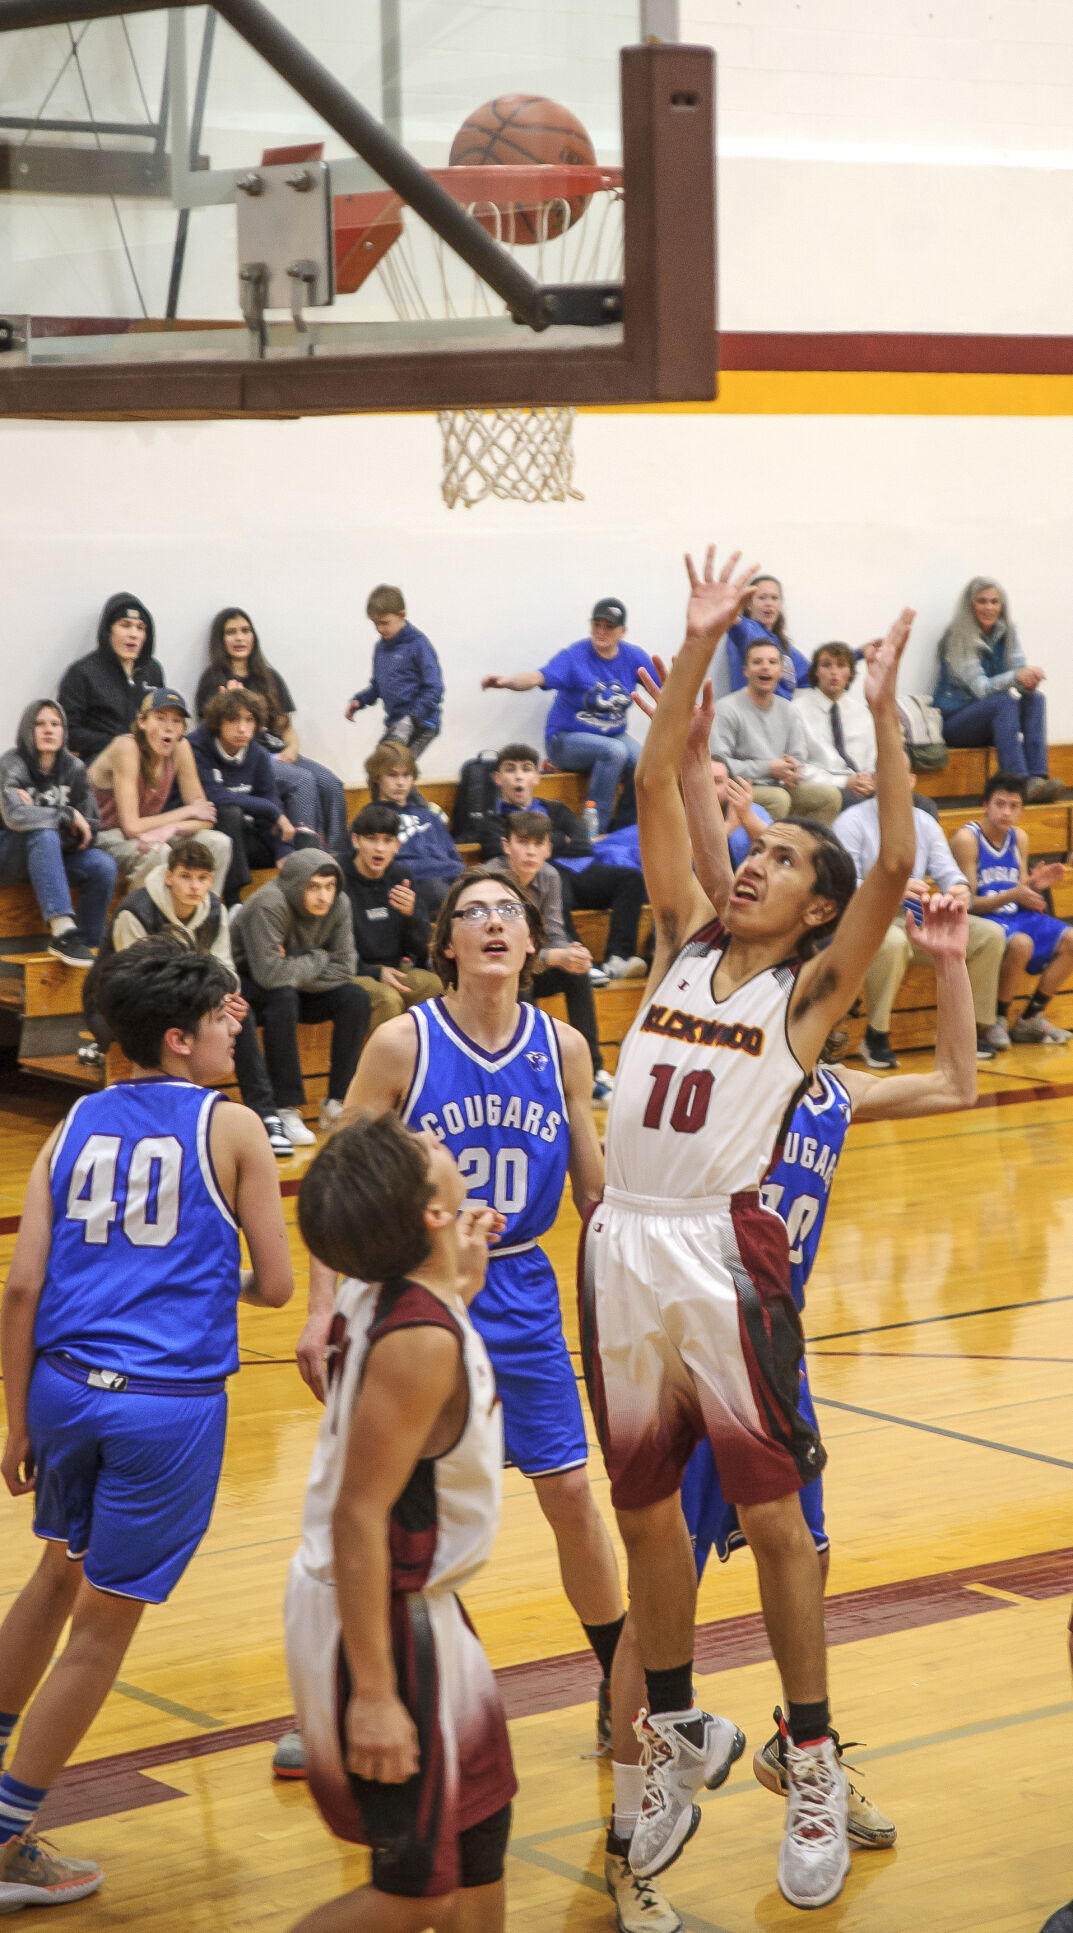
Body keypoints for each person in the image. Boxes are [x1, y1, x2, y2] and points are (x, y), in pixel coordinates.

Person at [581, 542, 917, 1910]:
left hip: (724, 1253)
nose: (748, 863)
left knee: (777, 1521)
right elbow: (661, 779)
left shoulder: (808, 996)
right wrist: (699, 639)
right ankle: (668, 1728)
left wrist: (887, 720)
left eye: (776, 857)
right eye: (751, 847)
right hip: (619, 1242)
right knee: (645, 1508)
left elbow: (895, 851)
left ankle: (814, 1752)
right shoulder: (675, 941)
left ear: (817, 909)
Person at [599, 887, 977, 1928]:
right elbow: (709, 921)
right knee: (654, 1582)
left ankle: (795, 1750)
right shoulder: (727, 1068)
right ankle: (633, 1824)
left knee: (803, 1558)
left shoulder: (832, 1091)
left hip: (769, 1354)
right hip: (685, 1331)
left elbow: (954, 1082)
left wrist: (945, 960)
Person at [282, 868, 626, 1789]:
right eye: (473, 912)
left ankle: (620, 1679)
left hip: (519, 1287)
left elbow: (595, 1193)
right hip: (412, 1292)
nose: (493, 923)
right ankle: (343, 1679)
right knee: (375, 1499)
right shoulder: (401, 1042)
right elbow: (335, 1179)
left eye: (509, 911)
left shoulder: (561, 1047)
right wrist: (321, 1310)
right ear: (445, 943)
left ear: (530, 938)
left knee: (569, 1496)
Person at [0, 941, 292, 1913]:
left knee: (52, 1574)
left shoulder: (74, 1118)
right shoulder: (237, 1128)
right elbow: (278, 1283)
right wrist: (209, 1282)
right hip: (162, 1409)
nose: (230, 1028)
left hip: (61, 1386)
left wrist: (14, 1422)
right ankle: (3, 1838)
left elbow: (23, 1286)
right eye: (219, 1018)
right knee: (100, 1631)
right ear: (179, 1037)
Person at [285, 1114, 515, 1932]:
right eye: (430, 1156)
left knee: (481, 1834)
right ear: (427, 1213)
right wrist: (375, 1695)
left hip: (423, 1603)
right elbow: (359, 1514)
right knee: (415, 1891)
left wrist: (460, 1261)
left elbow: (431, 1299)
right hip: (378, 1607)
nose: (436, 1142)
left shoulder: (389, 1283)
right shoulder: (421, 1338)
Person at [87, 835, 296, 1157]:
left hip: (182, 1000)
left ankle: (266, 1113)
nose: (194, 886)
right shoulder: (136, 911)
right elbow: (135, 985)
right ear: (169, 876)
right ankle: (166, 1116)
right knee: (184, 1029)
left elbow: (225, 969)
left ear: (212, 880)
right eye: (185, 876)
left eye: (202, 878)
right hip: (115, 1004)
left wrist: (224, 1002)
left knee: (238, 1015)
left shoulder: (215, 908)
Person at [833, 763, 1006, 1068]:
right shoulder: (850, 822)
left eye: (900, 776)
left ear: (912, 780)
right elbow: (842, 881)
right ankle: (876, 1035)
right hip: (866, 918)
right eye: (884, 775)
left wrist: (959, 888)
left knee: (989, 935)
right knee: (893, 942)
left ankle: (967, 1031)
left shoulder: (925, 823)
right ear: (873, 780)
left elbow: (947, 869)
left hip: (916, 915)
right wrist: (888, 889)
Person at [464, 743, 648, 981]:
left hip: (580, 871)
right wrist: (561, 840)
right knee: (551, 878)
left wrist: (553, 844)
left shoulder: (556, 808)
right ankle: (577, 957)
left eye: (526, 769)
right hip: (539, 876)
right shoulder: (494, 821)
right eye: (511, 770)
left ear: (537, 777)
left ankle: (618, 958)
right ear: (498, 779)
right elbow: (496, 853)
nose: (519, 776)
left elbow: (582, 845)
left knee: (630, 878)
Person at [230, 849, 370, 1148]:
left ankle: (336, 1102)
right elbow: (268, 975)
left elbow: (345, 967)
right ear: (296, 885)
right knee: (283, 995)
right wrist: (319, 957)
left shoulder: (340, 904)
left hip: (294, 984)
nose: (324, 896)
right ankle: (285, 1108)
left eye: (329, 886)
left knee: (355, 997)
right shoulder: (268, 904)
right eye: (314, 886)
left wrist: (293, 966)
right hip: (248, 983)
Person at [481, 598, 657, 832]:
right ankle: (593, 830)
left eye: (609, 627)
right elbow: (537, 677)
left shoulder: (634, 657)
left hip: (613, 734)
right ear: (590, 626)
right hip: (565, 739)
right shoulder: (575, 656)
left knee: (644, 762)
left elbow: (665, 688)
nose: (602, 631)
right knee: (614, 752)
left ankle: (627, 830)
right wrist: (507, 682)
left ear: (622, 631)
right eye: (597, 625)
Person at [487, 810, 613, 1102]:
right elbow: (502, 950)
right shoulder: (491, 881)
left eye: (537, 844)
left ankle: (592, 1069)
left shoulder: (550, 876)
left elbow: (555, 931)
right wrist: (554, 956)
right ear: (507, 846)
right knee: (522, 978)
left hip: (533, 963)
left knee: (577, 974)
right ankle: (527, 1073)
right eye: (523, 842)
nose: (530, 851)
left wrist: (570, 953)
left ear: (548, 849)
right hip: (497, 973)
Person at [196, 607, 347, 849]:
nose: (239, 638)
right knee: (303, 780)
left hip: (280, 751)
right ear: (220, 640)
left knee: (330, 783)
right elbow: (211, 732)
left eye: (245, 631)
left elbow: (286, 727)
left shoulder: (269, 676)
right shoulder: (213, 680)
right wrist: (229, 704)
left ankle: (340, 853)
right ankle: (309, 856)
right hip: (253, 758)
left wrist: (293, 749)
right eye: (231, 632)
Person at [950, 771, 1073, 1046]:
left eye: (1014, 806)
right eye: (1000, 804)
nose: (1007, 812)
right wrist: (1014, 893)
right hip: (984, 918)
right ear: (985, 805)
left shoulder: (1019, 838)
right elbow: (967, 904)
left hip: (1014, 914)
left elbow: (1018, 893)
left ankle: (1030, 1018)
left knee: (1072, 940)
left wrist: (1033, 886)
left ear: (1021, 811)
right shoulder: (967, 840)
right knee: (1021, 943)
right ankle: (998, 1020)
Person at [0, 699, 117, 967]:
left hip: (54, 855)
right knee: (43, 834)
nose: (48, 730)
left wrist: (47, 821)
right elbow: (15, 817)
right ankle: (63, 931)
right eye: (40, 724)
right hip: (9, 855)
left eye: (55, 724)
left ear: (64, 731)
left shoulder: (74, 768)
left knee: (103, 865)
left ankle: (87, 946)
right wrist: (64, 816)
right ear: (27, 729)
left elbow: (92, 827)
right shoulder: (12, 763)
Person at [87, 688, 233, 898]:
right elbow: (131, 827)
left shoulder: (181, 748)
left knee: (218, 843)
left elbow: (206, 818)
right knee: (159, 851)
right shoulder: (127, 747)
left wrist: (172, 828)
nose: (168, 728)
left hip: (150, 832)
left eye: (176, 721)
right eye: (160, 718)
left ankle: (203, 921)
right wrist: (185, 813)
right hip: (104, 835)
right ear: (142, 722)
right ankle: (136, 922)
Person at [932, 578, 1063, 801]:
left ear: (1002, 605)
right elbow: (982, 689)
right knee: (1003, 701)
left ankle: (1037, 779)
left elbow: (1018, 672)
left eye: (994, 602)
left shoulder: (1008, 632)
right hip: (955, 723)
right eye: (982, 601)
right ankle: (1018, 783)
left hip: (991, 718)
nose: (989, 607)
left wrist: (1028, 682)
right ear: (970, 605)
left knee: (1035, 699)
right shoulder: (958, 636)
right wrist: (1016, 677)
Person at [711, 636, 843, 827]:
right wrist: (769, 768)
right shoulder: (726, 709)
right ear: (746, 671)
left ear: (781, 672)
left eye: (772, 662)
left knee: (829, 797)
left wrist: (792, 768)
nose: (765, 667)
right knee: (779, 799)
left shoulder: (788, 709)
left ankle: (802, 850)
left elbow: (798, 755)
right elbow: (718, 763)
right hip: (740, 786)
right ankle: (767, 852)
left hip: (780, 784)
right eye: (757, 662)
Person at [339, 803, 442, 1035]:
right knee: (388, 999)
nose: (380, 848)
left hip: (395, 967)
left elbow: (420, 948)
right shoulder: (337, 877)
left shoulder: (401, 876)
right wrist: (375, 973)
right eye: (372, 839)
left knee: (434, 986)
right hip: (351, 972)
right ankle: (379, 1069)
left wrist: (412, 916)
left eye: (387, 841)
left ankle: (425, 1066)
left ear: (397, 846)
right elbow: (331, 950)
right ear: (356, 841)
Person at [188, 688, 297, 898]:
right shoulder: (197, 746)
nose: (242, 728)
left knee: (302, 841)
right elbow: (214, 797)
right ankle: (232, 900)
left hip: (245, 838)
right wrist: (272, 810)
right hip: (205, 836)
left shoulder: (258, 754)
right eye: (233, 720)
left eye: (249, 720)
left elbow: (270, 798)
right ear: (218, 722)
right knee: (230, 812)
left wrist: (284, 846)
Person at [58, 592, 167, 765]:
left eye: (140, 628)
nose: (134, 634)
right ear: (109, 630)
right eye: (125, 625)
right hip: (102, 761)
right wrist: (118, 742)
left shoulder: (153, 670)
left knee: (182, 747)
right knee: (127, 756)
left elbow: (164, 718)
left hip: (147, 759)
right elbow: (68, 732)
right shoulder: (82, 673)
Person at [364, 742, 463, 919]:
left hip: (448, 883)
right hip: (409, 889)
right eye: (392, 775)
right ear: (377, 778)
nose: (400, 782)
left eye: (406, 775)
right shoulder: (369, 819)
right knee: (439, 892)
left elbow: (455, 858)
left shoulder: (430, 817)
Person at [345, 584, 444, 761]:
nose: (380, 629)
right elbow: (378, 686)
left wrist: (412, 718)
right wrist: (359, 701)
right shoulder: (380, 648)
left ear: (402, 615)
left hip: (421, 723)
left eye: (385, 623)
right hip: (396, 721)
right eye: (376, 624)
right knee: (384, 774)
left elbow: (434, 688)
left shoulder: (418, 645)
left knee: (391, 770)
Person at [792, 642, 878, 809]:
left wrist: (868, 781)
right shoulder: (797, 710)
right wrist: (844, 782)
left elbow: (872, 758)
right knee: (860, 804)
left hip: (863, 784)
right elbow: (797, 767)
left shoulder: (862, 712)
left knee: (918, 803)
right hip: (827, 786)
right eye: (826, 665)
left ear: (850, 673)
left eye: (841, 665)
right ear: (816, 672)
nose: (834, 672)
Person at [710, 573, 810, 702]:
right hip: (750, 715)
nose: (769, 603)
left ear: (780, 605)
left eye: (774, 598)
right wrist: (723, 605)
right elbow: (735, 622)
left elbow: (815, 675)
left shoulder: (785, 647)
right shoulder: (746, 629)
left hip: (780, 716)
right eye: (762, 598)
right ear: (749, 604)